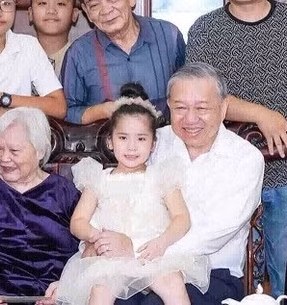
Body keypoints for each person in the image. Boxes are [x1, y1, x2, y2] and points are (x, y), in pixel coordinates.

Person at [185, 0, 287, 297]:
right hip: (223, 177)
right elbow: (199, 98)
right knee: (223, 278)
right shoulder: (205, 30)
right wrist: (261, 113)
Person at [110, 63, 264, 305]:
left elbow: (210, 233)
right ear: (169, 106)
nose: (190, 119)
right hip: (137, 266)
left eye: (202, 108)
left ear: (223, 107)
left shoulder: (245, 159)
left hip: (213, 273)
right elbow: (119, 196)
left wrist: (137, 249)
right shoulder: (152, 143)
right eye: (180, 108)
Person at [56, 84, 208, 305]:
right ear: (110, 141)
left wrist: (162, 242)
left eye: (141, 139)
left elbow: (182, 218)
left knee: (173, 282)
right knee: (100, 289)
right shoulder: (98, 178)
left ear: (153, 143)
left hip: (151, 253)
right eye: (123, 138)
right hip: (110, 256)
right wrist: (97, 238)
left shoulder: (162, 176)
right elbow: (77, 222)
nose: (132, 147)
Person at [0, 107, 79, 304]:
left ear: (39, 151)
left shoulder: (64, 193)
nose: (4, 158)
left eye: (14, 151)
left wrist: (67, 286)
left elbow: (87, 249)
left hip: (54, 297)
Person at [61, 0, 185, 124]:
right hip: (105, 139)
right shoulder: (79, 54)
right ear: (86, 11)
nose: (106, 10)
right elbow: (66, 111)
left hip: (164, 137)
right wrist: (103, 111)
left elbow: (191, 94)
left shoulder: (169, 36)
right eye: (94, 5)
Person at [28, 0, 80, 76]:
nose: (51, 11)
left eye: (61, 4)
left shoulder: (83, 61)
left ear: (74, 14)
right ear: (30, 13)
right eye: (42, 3)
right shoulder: (17, 60)